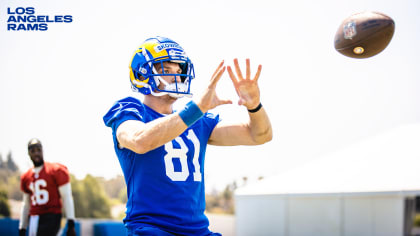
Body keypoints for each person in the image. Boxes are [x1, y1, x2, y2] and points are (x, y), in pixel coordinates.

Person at [103, 36, 272, 236]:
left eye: (179, 70)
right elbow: (140, 140)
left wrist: (254, 106)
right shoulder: (130, 110)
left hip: (199, 231)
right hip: (153, 229)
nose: (176, 76)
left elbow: (259, 135)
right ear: (143, 73)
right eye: (167, 70)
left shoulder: (196, 118)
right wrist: (196, 109)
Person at [19, 138, 76, 236]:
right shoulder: (26, 176)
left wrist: (71, 223)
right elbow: (26, 203)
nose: (36, 153)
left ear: (42, 151)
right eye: (33, 151)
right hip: (34, 218)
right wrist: (22, 227)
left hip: (52, 216)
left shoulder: (56, 170)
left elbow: (67, 197)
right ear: (29, 153)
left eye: (38, 150)